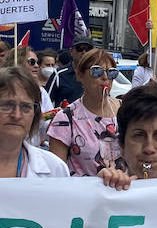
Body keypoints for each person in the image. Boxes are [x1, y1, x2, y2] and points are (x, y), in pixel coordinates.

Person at [48, 48, 122, 176]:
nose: (105, 77)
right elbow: (56, 174)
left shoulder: (126, 110)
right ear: (80, 75)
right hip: (84, 193)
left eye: (111, 73)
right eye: (97, 71)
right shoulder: (66, 118)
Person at [47, 39, 90, 107]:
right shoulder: (59, 74)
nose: (84, 52)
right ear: (71, 51)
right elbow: (45, 104)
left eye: (88, 49)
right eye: (80, 48)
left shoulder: (96, 74)